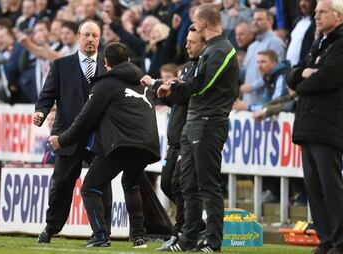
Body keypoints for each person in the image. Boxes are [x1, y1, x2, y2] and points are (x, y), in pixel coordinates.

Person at [49, 42, 160, 248]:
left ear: (106, 63)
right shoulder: (143, 81)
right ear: (128, 60)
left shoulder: (106, 84)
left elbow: (84, 120)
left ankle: (100, 235)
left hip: (122, 143)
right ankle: (139, 236)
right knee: (131, 183)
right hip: (149, 143)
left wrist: (62, 140)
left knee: (90, 187)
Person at [157, 4, 240, 252]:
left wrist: (175, 87)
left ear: (203, 24)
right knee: (188, 186)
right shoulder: (211, 50)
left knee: (209, 186)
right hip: (193, 122)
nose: (192, 28)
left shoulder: (222, 49)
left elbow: (201, 85)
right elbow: (196, 83)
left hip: (209, 123)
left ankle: (213, 243)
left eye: (194, 22)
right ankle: (188, 240)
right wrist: (178, 86)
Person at [286, 0, 343, 253]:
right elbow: (293, 73)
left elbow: (324, 80)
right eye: (316, 11)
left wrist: (303, 81)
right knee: (314, 188)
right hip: (309, 124)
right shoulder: (320, 42)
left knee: (330, 186)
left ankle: (342, 242)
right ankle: (326, 239)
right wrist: (305, 75)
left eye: (322, 12)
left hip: (328, 125)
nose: (316, 16)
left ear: (338, 15)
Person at [33, 20, 112, 245]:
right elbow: (47, 95)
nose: (91, 40)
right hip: (68, 135)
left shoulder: (108, 65)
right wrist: (40, 112)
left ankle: (102, 232)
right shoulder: (61, 65)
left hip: (99, 135)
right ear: (78, 37)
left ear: (100, 38)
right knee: (61, 184)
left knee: (101, 184)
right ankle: (51, 228)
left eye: (95, 36)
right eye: (86, 35)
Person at [140, 24, 207, 250]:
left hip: (187, 138)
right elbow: (180, 99)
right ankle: (195, 225)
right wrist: (166, 94)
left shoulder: (202, 69)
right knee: (168, 184)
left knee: (180, 185)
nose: (187, 45)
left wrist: (157, 83)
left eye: (192, 42)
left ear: (203, 44)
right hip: (174, 140)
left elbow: (189, 96)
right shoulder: (188, 67)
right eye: (186, 41)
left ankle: (180, 233)